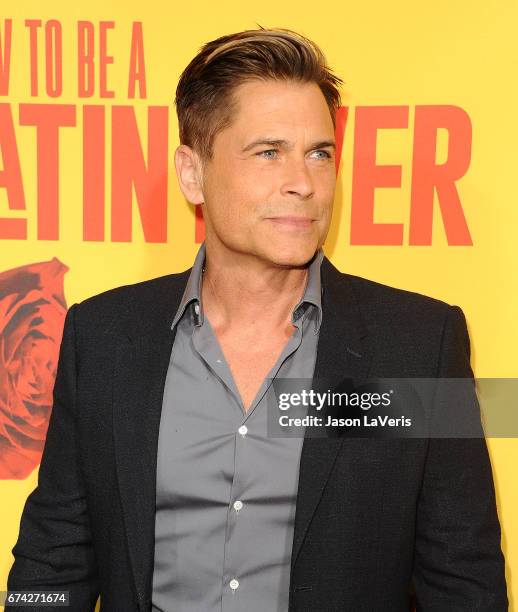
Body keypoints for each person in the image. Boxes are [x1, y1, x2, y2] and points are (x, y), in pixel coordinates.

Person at [6, 27, 507, 611]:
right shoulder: (104, 337)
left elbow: (463, 579)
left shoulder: (420, 344)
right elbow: (52, 557)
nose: (303, 182)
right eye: (268, 152)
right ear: (192, 173)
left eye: (319, 153)